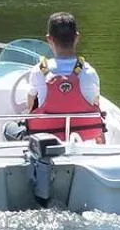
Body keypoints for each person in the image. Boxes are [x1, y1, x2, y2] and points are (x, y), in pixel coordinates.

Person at [26, 11, 105, 142]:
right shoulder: (89, 72)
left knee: (9, 128)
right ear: (77, 37)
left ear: (49, 39)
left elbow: (30, 107)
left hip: (47, 137)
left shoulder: (39, 70)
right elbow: (96, 104)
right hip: (83, 135)